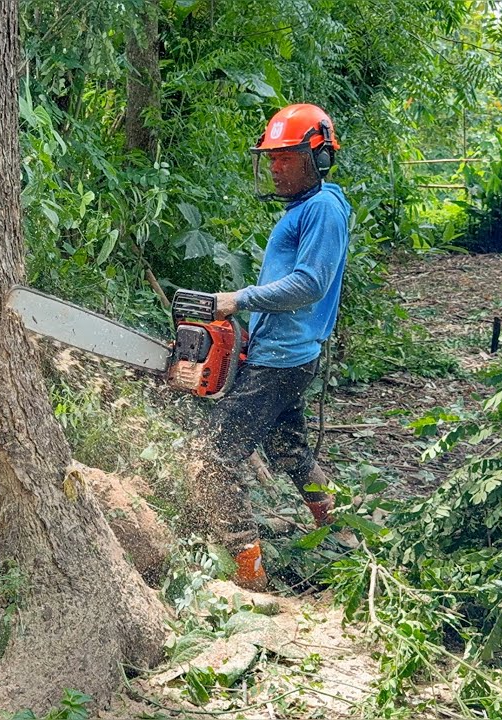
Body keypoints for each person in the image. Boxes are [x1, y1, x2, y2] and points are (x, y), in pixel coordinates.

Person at [198, 103, 352, 592]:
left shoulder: (323, 209)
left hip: (283, 358)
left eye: (287, 157)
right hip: (278, 353)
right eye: (273, 157)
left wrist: (237, 300)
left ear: (318, 157)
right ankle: (344, 536)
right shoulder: (306, 209)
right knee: (290, 452)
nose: (276, 167)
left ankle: (250, 575)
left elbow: (309, 284)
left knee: (211, 460)